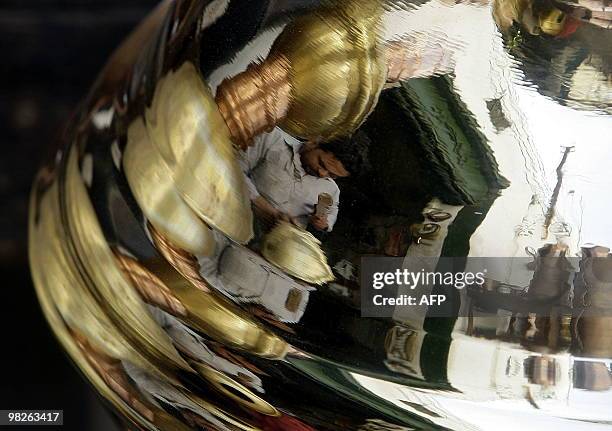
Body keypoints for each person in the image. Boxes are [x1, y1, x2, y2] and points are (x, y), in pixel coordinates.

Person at [240, 127, 349, 233]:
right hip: (234, 212)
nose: (322, 173)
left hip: (272, 243)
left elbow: (331, 213)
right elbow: (235, 168)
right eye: (321, 164)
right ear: (313, 142)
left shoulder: (331, 189)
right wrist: (262, 206)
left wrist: (324, 223)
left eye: (332, 175)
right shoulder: (273, 138)